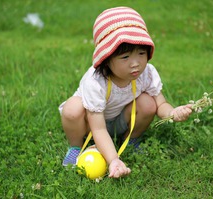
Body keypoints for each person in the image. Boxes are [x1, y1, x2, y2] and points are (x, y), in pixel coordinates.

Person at [59, 6, 192, 178]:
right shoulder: (95, 81)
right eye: (125, 57)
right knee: (72, 109)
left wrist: (172, 112)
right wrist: (113, 159)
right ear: (106, 60)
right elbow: (98, 128)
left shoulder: (147, 73)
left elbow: (161, 104)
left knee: (148, 102)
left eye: (141, 53)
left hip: (119, 118)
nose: (135, 63)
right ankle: (76, 147)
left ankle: (131, 139)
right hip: (89, 122)